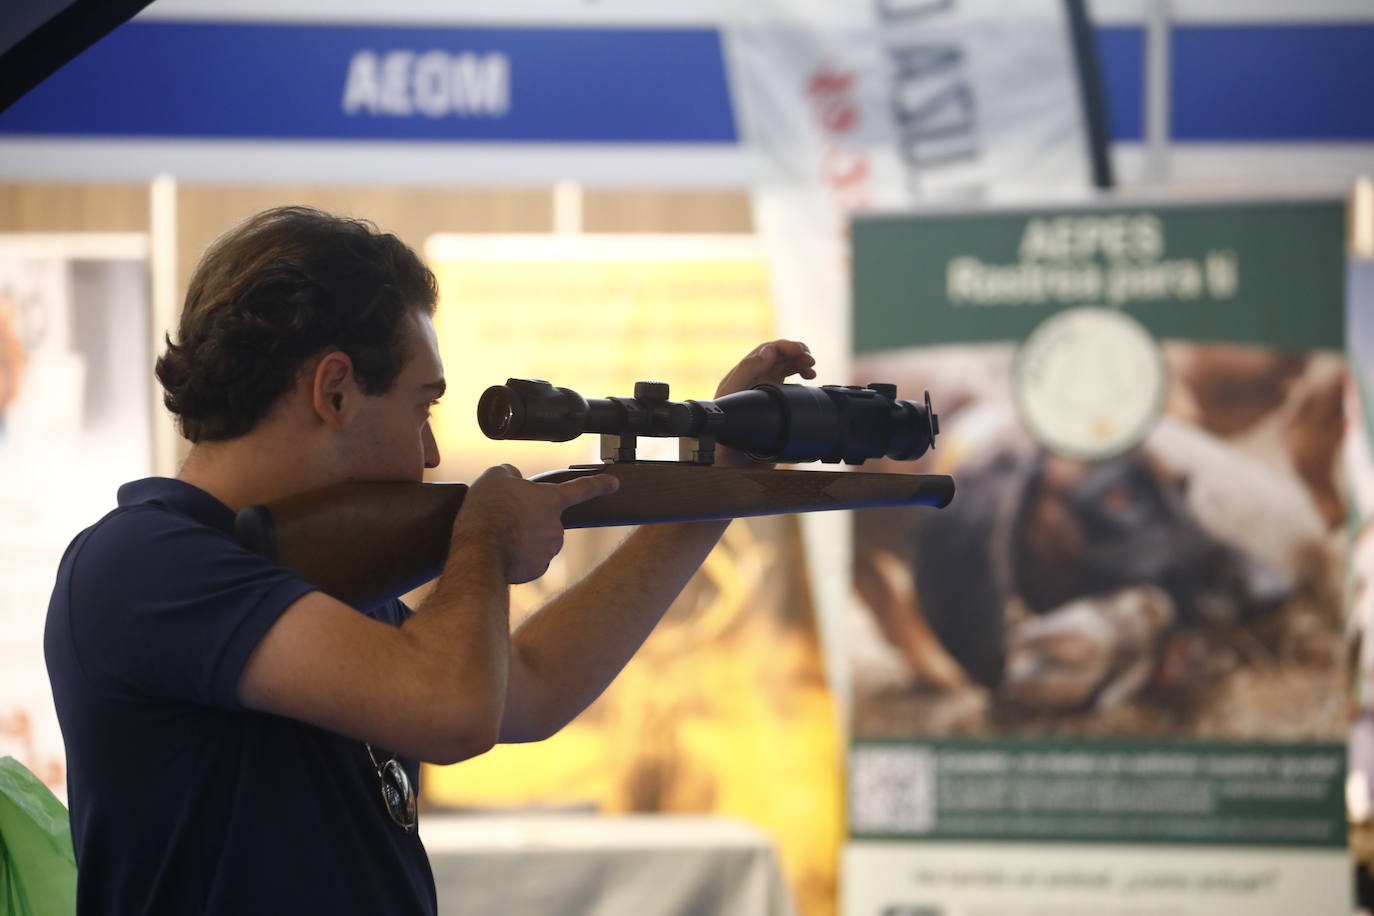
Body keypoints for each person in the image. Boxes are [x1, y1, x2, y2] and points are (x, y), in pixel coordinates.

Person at [43, 206, 816, 914]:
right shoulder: (145, 566)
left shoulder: (304, 579)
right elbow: (452, 711)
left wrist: (716, 486)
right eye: (423, 407)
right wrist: (481, 539)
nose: (431, 451)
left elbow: (534, 687)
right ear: (336, 391)